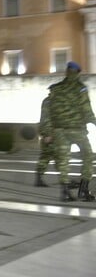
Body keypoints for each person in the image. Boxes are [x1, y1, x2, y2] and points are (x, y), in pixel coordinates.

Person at [48, 61, 96, 202]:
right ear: (77, 72)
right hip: (77, 130)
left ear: (67, 71)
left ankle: (65, 193)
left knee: (63, 161)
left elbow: (49, 111)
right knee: (88, 156)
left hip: (59, 131)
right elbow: (87, 111)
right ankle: (83, 190)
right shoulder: (81, 89)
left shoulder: (55, 89)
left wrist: (48, 131)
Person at [35, 94, 55, 187]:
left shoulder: (47, 100)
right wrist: (48, 134)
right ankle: (65, 182)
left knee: (46, 156)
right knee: (47, 156)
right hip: (49, 132)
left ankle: (38, 178)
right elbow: (46, 118)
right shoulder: (51, 101)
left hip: (48, 131)